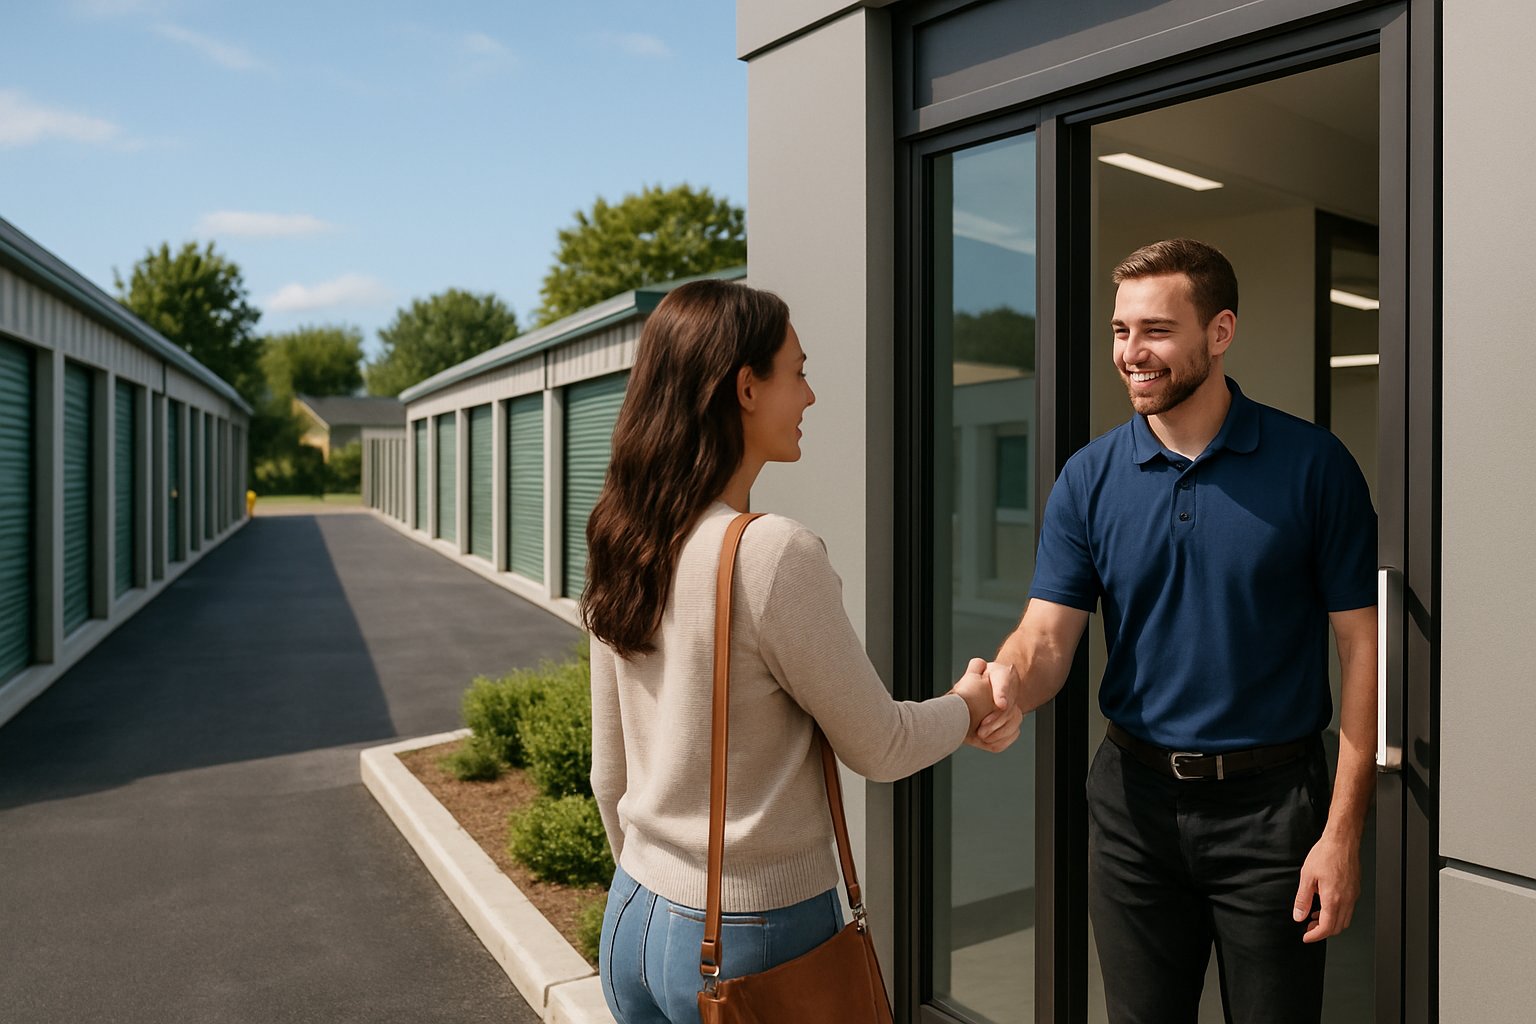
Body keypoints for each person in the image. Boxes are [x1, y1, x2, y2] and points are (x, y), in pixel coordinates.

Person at [583, 279, 1023, 1024]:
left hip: (633, 919)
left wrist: (658, 877)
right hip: (757, 931)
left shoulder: (625, 535)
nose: (811, 396)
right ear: (746, 388)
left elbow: (608, 773)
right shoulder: (771, 553)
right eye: (799, 372)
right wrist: (971, 703)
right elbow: (880, 746)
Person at [988, 239, 1377, 1023]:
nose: (1133, 353)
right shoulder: (1088, 478)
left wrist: (1341, 834)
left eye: (1157, 330)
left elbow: (1363, 650)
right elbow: (1045, 640)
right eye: (1121, 330)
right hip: (1132, 808)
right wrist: (1000, 685)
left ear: (1220, 332)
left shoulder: (1313, 466)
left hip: (1274, 814)